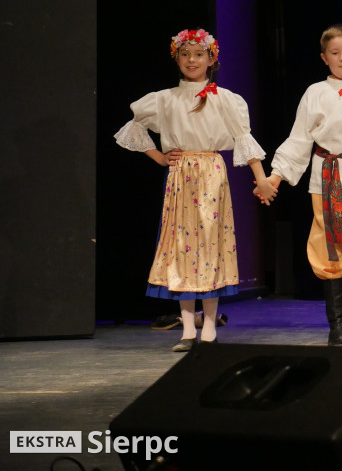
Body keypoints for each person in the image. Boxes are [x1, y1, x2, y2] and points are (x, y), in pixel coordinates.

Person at [114, 28, 276, 351]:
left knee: (210, 245)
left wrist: (261, 178)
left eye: (199, 54)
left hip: (211, 173)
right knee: (181, 247)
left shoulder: (224, 99)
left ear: (211, 59)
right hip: (180, 175)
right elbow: (133, 126)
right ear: (176, 58)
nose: (192, 60)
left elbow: (244, 139)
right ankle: (188, 329)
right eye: (185, 54)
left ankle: (211, 327)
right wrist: (159, 156)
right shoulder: (165, 99)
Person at [264, 25, 342, 346]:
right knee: (331, 254)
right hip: (327, 173)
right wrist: (276, 175)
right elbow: (299, 139)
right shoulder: (315, 93)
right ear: (324, 58)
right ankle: (337, 326)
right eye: (335, 53)